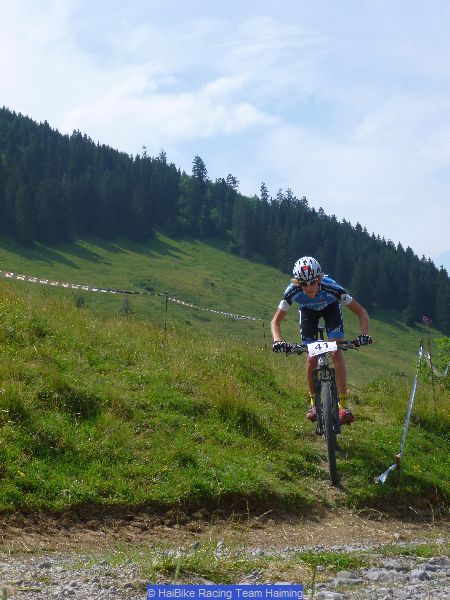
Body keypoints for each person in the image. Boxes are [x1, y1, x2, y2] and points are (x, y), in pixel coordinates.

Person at [271, 256, 371, 424]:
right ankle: (313, 405)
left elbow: (362, 312)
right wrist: (278, 341)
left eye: (312, 282)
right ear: (297, 282)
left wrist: (364, 335)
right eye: (303, 284)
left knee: (336, 351)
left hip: (331, 310)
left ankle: (343, 407)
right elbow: (275, 322)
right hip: (308, 314)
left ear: (319, 279)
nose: (308, 287)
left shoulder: (332, 287)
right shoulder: (292, 291)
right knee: (311, 358)